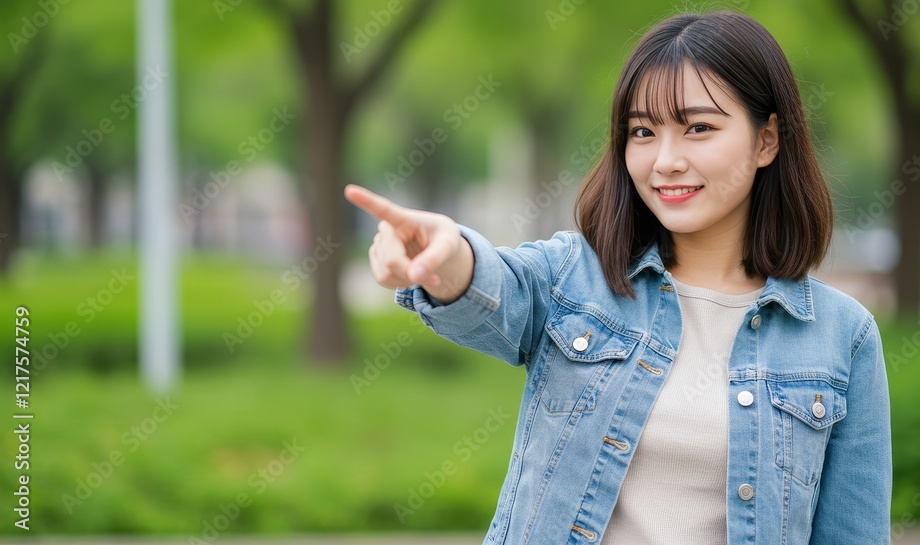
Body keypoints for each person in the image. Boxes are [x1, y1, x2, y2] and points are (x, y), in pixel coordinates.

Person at [344, 10, 891, 545]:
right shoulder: (575, 282)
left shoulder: (842, 337)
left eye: (699, 127)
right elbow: (495, 289)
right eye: (643, 131)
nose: (666, 160)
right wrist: (444, 260)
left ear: (766, 140)